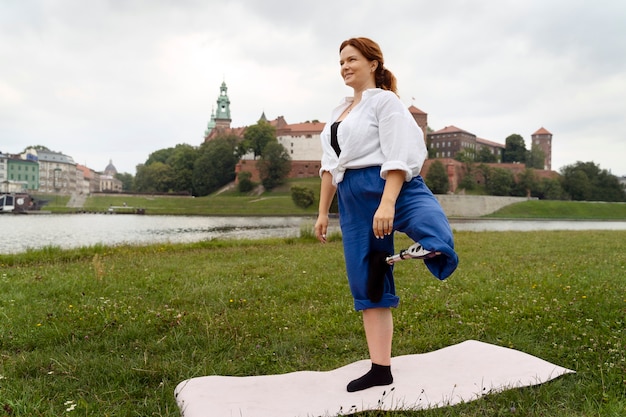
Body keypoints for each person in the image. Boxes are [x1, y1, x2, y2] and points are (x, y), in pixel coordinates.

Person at [314, 37, 459, 393]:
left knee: (428, 222)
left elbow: (399, 152)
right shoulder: (338, 112)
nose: (345, 67)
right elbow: (330, 167)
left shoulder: (385, 102)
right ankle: (381, 369)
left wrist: (388, 202)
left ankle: (432, 246)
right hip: (353, 196)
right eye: (341, 62)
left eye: (352, 60)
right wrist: (322, 214)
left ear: (373, 63)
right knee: (368, 282)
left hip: (389, 181)